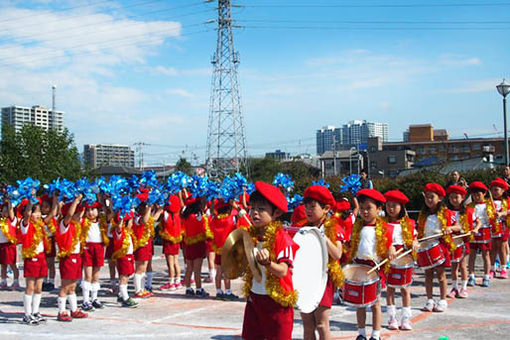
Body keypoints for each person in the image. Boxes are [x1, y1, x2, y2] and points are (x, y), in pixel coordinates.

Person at [242, 181, 299, 340]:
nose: (254, 213)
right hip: (255, 298)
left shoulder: (282, 238)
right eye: (252, 208)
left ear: (276, 213)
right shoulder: (250, 235)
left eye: (261, 209)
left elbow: (283, 270)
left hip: (277, 302)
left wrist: (268, 264)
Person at [350, 189, 395, 340]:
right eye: (362, 208)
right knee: (360, 304)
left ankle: (376, 335)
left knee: (375, 303)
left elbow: (390, 245)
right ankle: (361, 333)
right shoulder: (357, 226)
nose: (365, 212)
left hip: (375, 267)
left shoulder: (384, 228)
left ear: (379, 209)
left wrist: (391, 250)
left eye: (369, 208)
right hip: (359, 267)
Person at [300, 185, 344, 340]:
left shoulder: (332, 227)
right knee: (308, 325)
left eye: (313, 207)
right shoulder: (304, 229)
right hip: (306, 280)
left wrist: (322, 237)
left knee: (322, 325)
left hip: (324, 280)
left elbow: (337, 254)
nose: (308, 210)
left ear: (326, 209)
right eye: (306, 207)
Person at [417, 183, 459, 312]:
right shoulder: (422, 215)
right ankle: (429, 300)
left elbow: (459, 227)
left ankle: (442, 300)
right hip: (426, 246)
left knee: (441, 275)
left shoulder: (447, 213)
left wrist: (449, 228)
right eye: (427, 197)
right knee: (428, 275)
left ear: (440, 198)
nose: (429, 200)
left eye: (432, 197)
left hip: (440, 246)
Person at [383, 190, 418, 331]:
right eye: (388, 205)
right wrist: (388, 246)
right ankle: (392, 318)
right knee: (390, 290)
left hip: (404, 260)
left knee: (405, 290)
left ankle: (405, 319)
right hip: (389, 259)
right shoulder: (382, 224)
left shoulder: (408, 223)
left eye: (394, 206)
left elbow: (414, 238)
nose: (391, 209)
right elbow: (380, 241)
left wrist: (415, 242)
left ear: (401, 208)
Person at [55, 197, 88, 321]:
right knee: (65, 286)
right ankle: (62, 311)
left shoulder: (76, 225)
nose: (80, 216)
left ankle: (74, 309)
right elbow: (69, 214)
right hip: (67, 257)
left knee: (73, 286)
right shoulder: (65, 224)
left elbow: (79, 212)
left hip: (76, 257)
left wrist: (85, 200)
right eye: (77, 214)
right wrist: (76, 200)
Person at [19, 198, 50, 325]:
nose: (38, 215)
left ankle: (35, 311)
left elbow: (52, 213)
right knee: (30, 287)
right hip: (32, 257)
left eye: (38, 212)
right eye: (34, 212)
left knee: (38, 287)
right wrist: (30, 200)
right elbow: (26, 214)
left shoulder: (40, 225)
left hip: (41, 257)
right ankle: (27, 314)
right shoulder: (25, 224)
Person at [446, 185, 478, 299]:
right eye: (451, 197)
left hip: (464, 241)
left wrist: (476, 228)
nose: (454, 200)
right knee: (453, 266)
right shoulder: (446, 212)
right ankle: (454, 287)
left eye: (456, 197)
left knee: (463, 266)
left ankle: (463, 287)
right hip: (452, 242)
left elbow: (477, 222)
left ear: (463, 198)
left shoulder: (469, 211)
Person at [80, 200, 109, 311]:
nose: (90, 212)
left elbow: (108, 212)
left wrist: (102, 197)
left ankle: (94, 298)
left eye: (93, 209)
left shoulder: (101, 221)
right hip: (87, 248)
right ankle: (85, 300)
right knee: (88, 275)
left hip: (99, 247)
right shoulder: (83, 221)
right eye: (88, 210)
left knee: (96, 276)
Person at [182, 196, 212, 298]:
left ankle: (188, 288)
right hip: (198, 244)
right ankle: (199, 289)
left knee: (189, 268)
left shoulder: (186, 216)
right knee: (197, 269)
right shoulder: (198, 216)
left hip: (188, 244)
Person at [210, 199, 238, 300]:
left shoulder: (215, 219)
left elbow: (211, 211)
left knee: (219, 271)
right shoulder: (231, 219)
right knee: (227, 272)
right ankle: (228, 291)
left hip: (218, 248)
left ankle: (218, 291)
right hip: (228, 249)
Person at [467, 181, 492, 287]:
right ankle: (471, 276)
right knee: (471, 254)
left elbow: (492, 219)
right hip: (473, 231)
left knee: (485, 255)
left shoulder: (489, 205)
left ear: (484, 194)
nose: (476, 197)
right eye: (474, 195)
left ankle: (486, 276)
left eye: (479, 194)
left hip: (484, 231)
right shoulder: (469, 206)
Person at [112, 211, 138, 308]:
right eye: (130, 222)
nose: (132, 224)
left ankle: (121, 294)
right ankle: (126, 298)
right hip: (124, 257)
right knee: (124, 278)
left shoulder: (128, 232)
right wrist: (121, 219)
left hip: (129, 256)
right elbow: (119, 227)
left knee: (127, 276)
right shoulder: (120, 232)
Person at [159, 194, 183, 291]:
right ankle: (178, 280)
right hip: (176, 240)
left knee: (170, 263)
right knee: (176, 262)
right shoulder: (177, 215)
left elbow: (159, 209)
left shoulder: (165, 214)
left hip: (168, 241)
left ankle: (171, 282)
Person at [488, 178, 509, 279]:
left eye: (496, 190)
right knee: (493, 248)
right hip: (492, 228)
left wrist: (501, 213)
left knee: (502, 248)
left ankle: (503, 268)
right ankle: (492, 268)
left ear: (503, 190)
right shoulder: (488, 202)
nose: (494, 192)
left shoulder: (507, 201)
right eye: (492, 190)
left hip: (503, 226)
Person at [0, 200, 20, 291]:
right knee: (3, 265)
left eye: (7, 211)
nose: (5, 213)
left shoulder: (12, 220)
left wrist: (9, 202)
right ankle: (3, 281)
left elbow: (11, 212)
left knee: (12, 264)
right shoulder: (1, 221)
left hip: (10, 245)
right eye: (3, 211)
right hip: (1, 245)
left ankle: (16, 282)